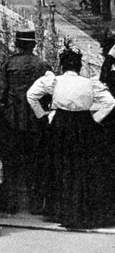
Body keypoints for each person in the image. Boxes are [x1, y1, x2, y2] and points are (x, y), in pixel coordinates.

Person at [28, 45, 115, 229]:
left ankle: (60, 210)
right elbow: (110, 102)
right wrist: (95, 119)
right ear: (79, 66)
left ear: (61, 65)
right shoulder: (89, 83)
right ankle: (81, 210)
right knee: (81, 169)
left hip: (60, 125)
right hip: (83, 126)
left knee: (60, 167)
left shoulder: (55, 81)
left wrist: (42, 114)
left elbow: (31, 95)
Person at [0, 28, 49, 213]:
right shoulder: (43, 66)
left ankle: (11, 203)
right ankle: (36, 205)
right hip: (36, 122)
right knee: (36, 163)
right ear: (34, 45)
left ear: (17, 44)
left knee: (11, 163)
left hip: (12, 122)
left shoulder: (9, 64)